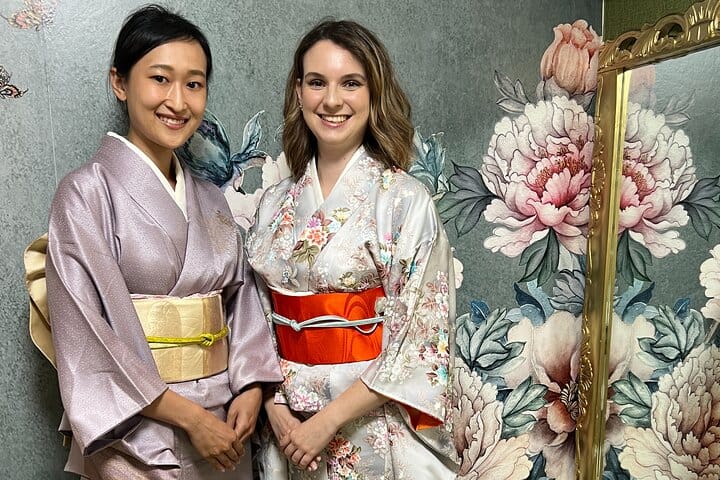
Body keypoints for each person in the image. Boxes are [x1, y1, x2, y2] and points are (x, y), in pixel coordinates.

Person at [44, 4, 282, 479]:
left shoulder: (210, 198)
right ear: (120, 82)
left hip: (224, 426)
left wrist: (251, 388)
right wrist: (190, 418)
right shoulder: (85, 193)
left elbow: (241, 304)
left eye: (194, 84)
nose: (178, 101)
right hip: (136, 429)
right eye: (160, 79)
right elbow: (88, 336)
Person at [245, 19, 459, 479]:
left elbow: (420, 338)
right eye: (317, 82)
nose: (332, 100)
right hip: (287, 428)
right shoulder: (274, 204)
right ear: (298, 91)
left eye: (351, 83)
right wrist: (276, 409)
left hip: (371, 424)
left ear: (373, 92)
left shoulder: (403, 201)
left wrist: (326, 422)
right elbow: (255, 321)